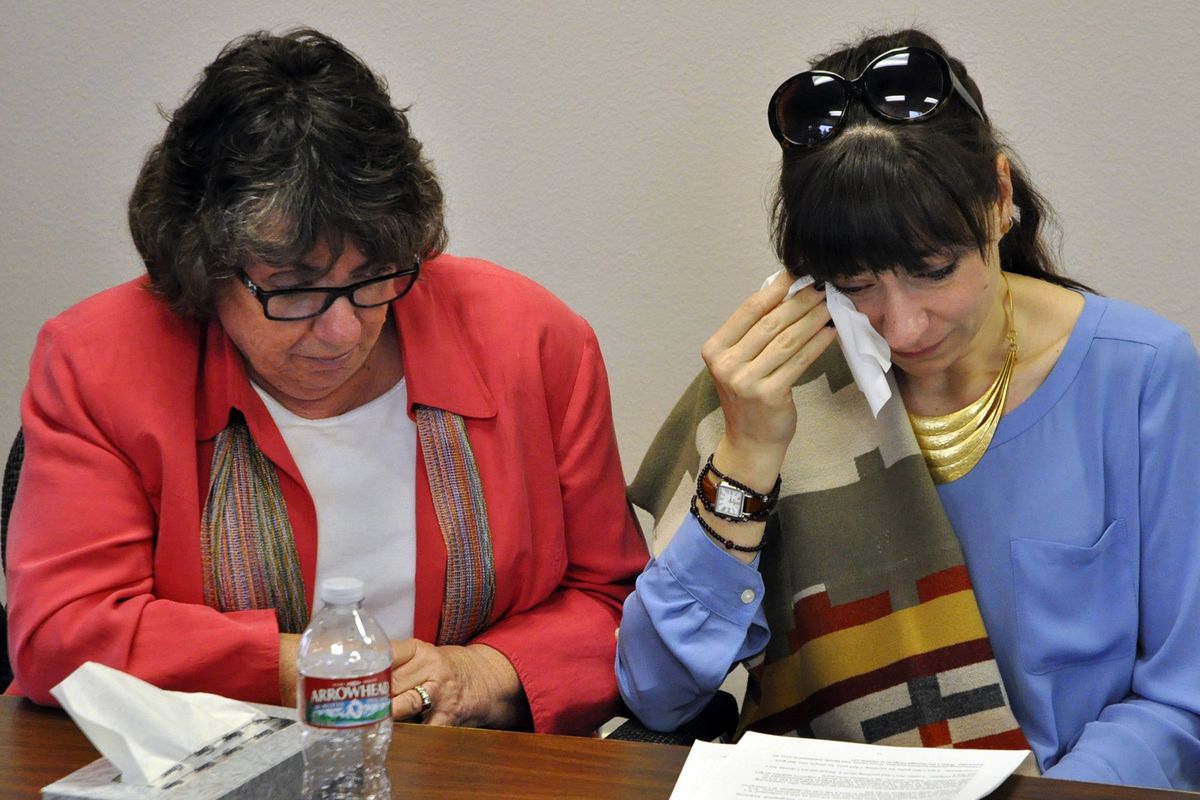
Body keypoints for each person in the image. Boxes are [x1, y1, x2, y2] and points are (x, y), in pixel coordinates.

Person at [6, 28, 647, 736]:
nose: (343, 329)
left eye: (373, 275)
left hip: (465, 768)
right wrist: (327, 669)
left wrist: (481, 675)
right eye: (294, 288)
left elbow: (612, 600)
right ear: (203, 264)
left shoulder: (534, 341)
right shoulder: (100, 360)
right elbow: (62, 634)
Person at [616, 28, 1200, 788]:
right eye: (854, 284)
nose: (902, 325)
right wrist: (749, 453)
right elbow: (657, 697)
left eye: (932, 270)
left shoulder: (1141, 376)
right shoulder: (773, 389)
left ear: (998, 198)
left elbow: (1180, 701)